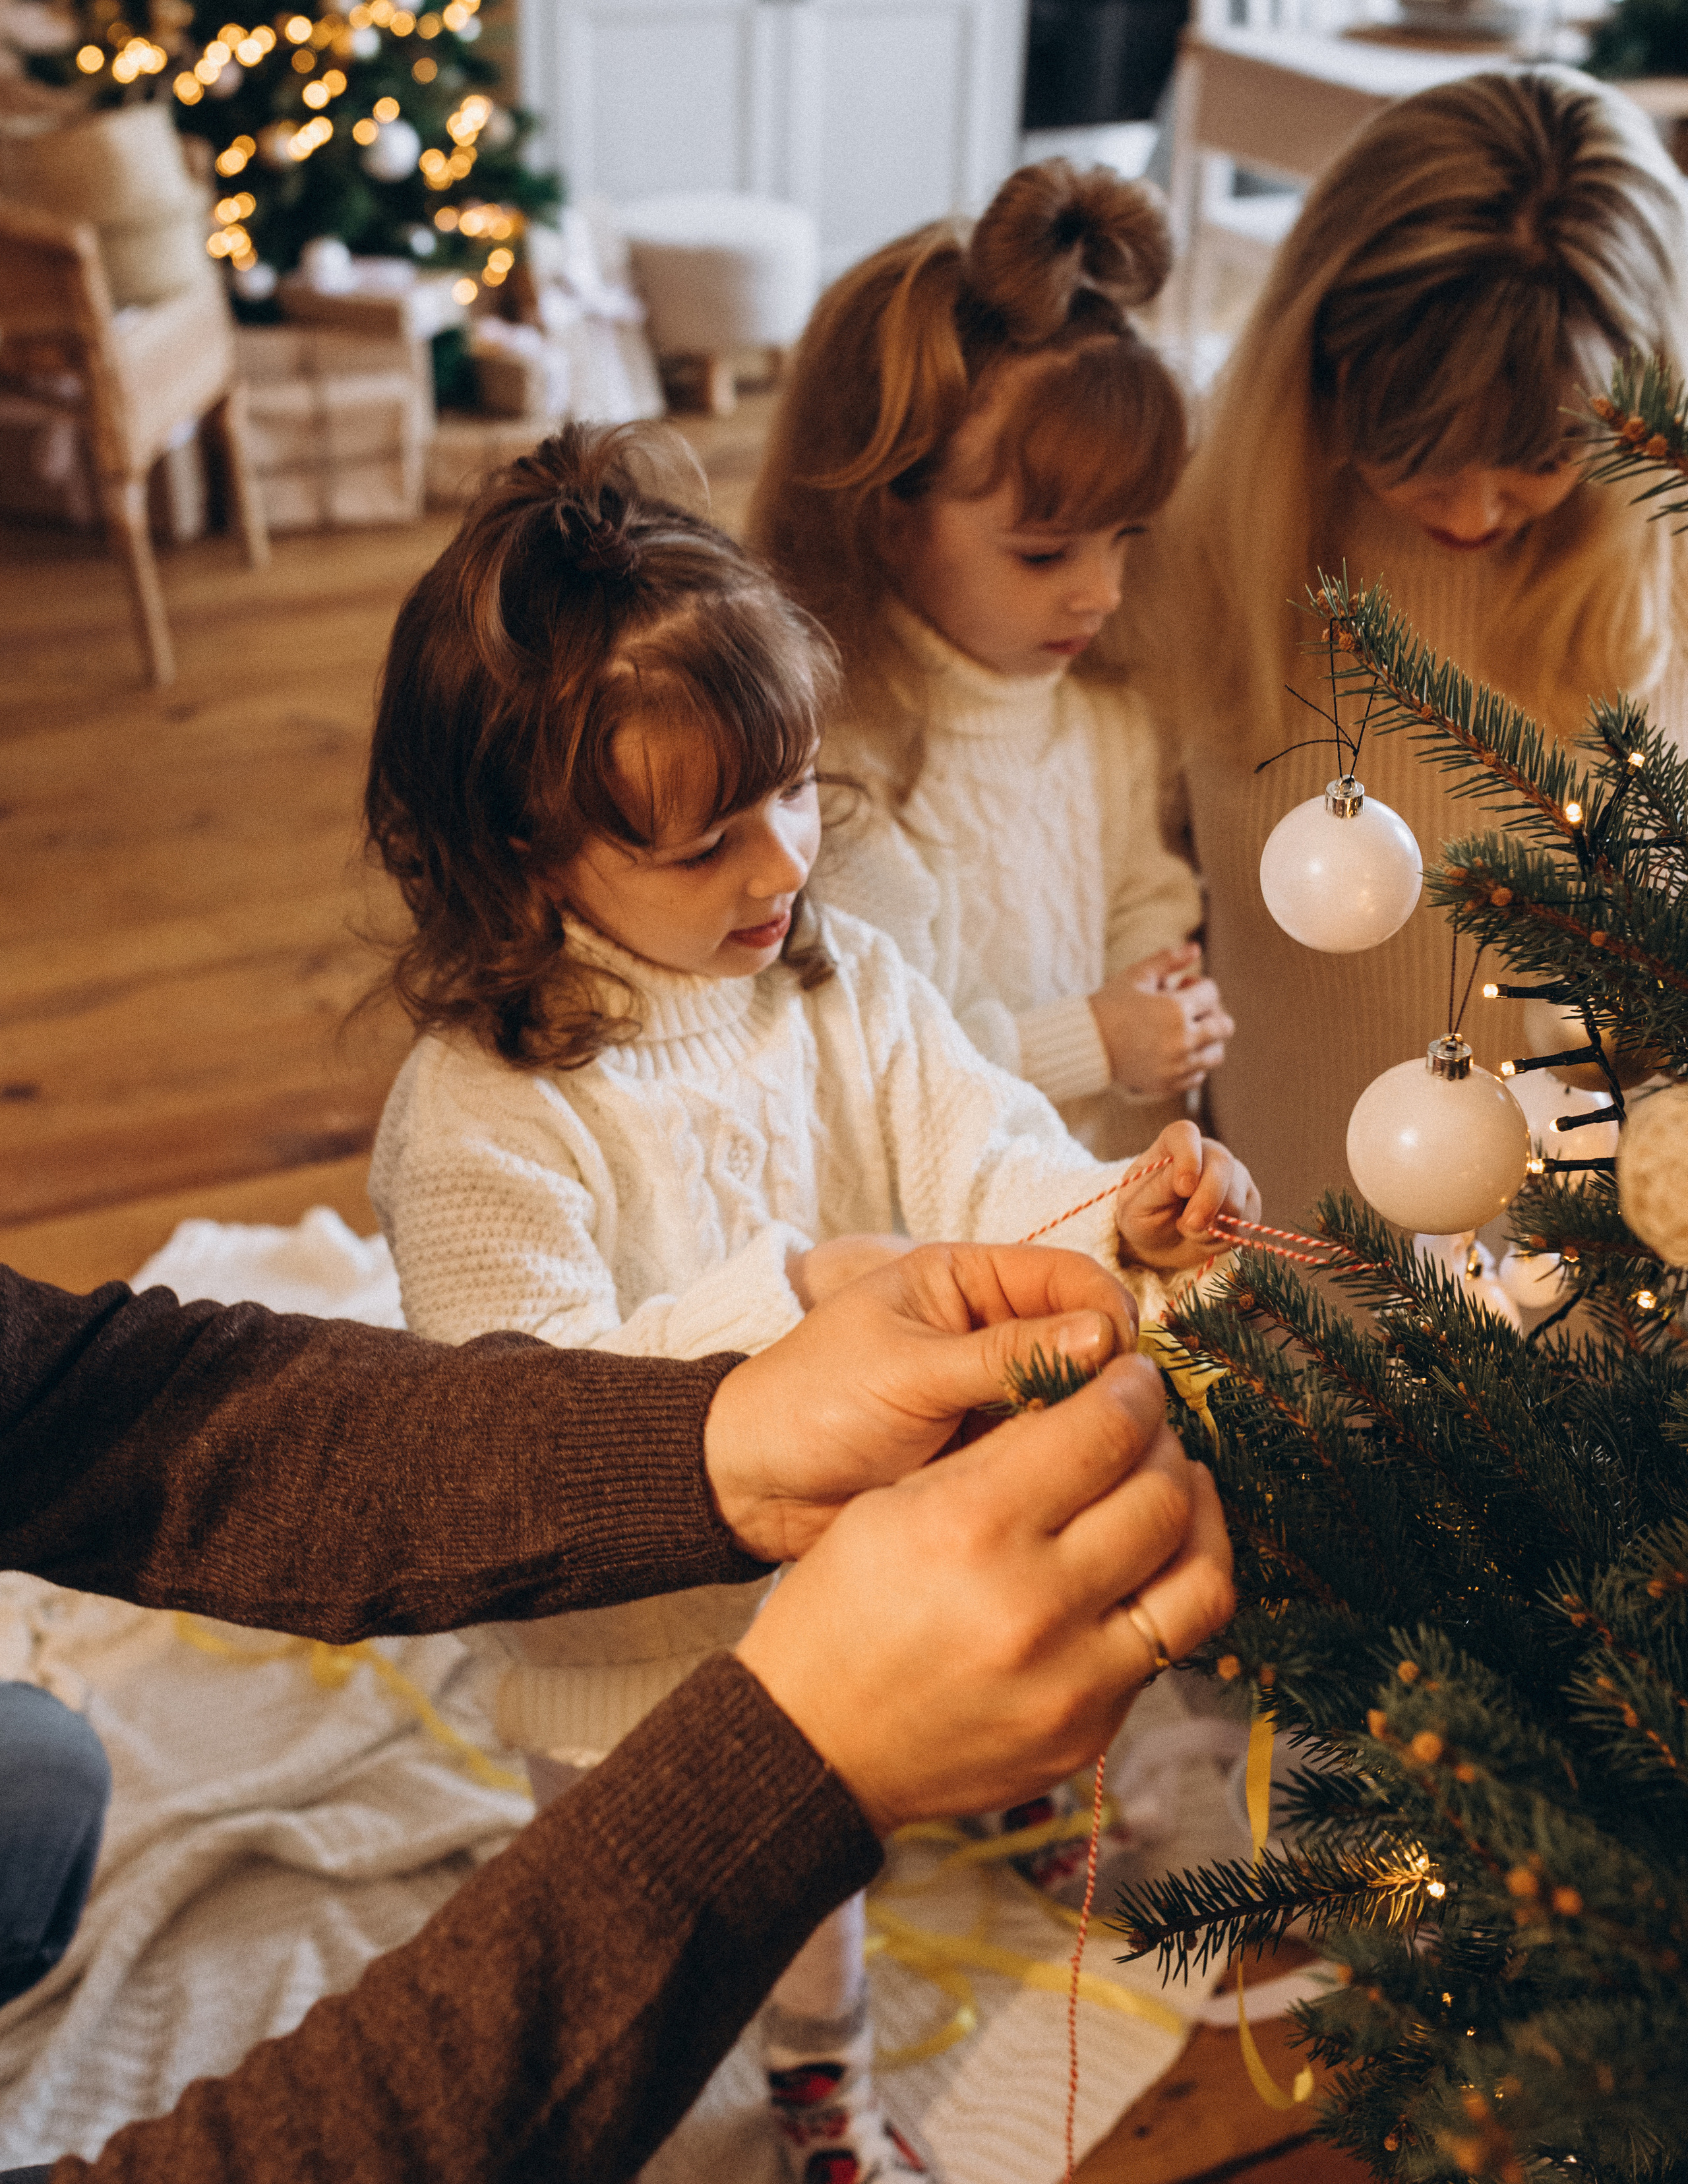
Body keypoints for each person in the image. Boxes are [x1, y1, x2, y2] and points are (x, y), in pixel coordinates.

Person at [361, 421, 1259, 2184]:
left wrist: (1123, 1218)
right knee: (670, 1934)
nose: (780, 868)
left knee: (853, 1831)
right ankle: (739, 2086)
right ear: (529, 853)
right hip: (628, 1653)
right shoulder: (480, 1116)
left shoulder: (840, 980)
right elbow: (514, 1423)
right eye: (705, 843)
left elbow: (985, 1159)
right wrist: (794, 1299)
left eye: (789, 795)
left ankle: (850, 2039)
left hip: (866, 1564)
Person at [0, 1246, 1235, 2184]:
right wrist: (797, 1767)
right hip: (596, 1698)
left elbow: (97, 1402)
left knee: (45, 1783)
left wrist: (719, 1436)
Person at [1108, 67, 1688, 1221]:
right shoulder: (1194, 548)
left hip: (1601, 1269)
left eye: (1542, 458)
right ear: (1324, 374)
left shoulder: (1664, 572)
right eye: (1415, 450)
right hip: (1280, 1254)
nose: (1473, 511)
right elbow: (1135, 920)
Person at [747, 159, 1234, 1161]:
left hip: (1112, 1181)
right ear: (887, 521)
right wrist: (1093, 1040)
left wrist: (1162, 996)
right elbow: (877, 1061)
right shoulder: (840, 767)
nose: (1103, 592)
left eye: (1125, 539)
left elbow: (1148, 890)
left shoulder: (1106, 716)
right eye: (1045, 554)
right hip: (942, 1209)